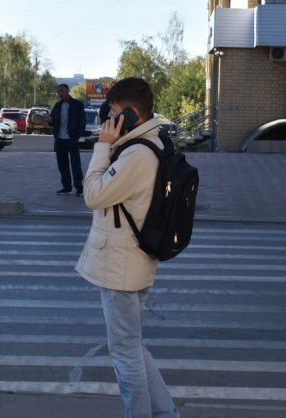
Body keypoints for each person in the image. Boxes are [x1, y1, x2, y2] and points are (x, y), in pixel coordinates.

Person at [75, 77, 179, 418]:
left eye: (114, 113)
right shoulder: (151, 142)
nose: (108, 120)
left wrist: (103, 147)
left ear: (132, 115)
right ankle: (166, 414)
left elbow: (93, 195)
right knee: (133, 346)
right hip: (133, 261)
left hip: (121, 266)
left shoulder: (136, 154)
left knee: (124, 352)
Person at [48, 83, 86, 196]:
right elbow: (53, 121)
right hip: (59, 140)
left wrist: (78, 136)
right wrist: (50, 122)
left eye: (62, 91)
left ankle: (79, 188)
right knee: (62, 164)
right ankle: (66, 187)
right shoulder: (57, 106)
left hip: (72, 139)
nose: (60, 93)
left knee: (75, 164)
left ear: (68, 91)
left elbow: (82, 121)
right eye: (58, 91)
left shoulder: (77, 105)